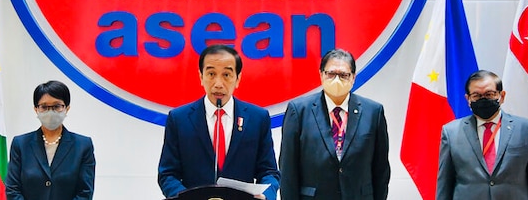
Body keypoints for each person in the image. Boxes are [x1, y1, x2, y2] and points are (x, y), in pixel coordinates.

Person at [158, 44, 280, 200]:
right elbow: (167, 174)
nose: (218, 84)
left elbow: (269, 172)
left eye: (227, 75)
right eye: (211, 74)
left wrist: (265, 196)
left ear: (238, 79)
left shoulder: (258, 118)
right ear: (201, 77)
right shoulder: (179, 118)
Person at [279, 48, 390, 200]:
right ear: (321, 75)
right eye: (331, 74)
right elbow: (288, 171)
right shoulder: (298, 111)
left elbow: (381, 170)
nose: (337, 80)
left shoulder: (373, 112)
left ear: (353, 78)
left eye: (344, 75)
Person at [437, 70, 528, 200]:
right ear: (468, 99)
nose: (483, 99)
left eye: (489, 94)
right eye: (476, 96)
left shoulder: (527, 130)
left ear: (502, 96)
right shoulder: (451, 132)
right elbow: (445, 184)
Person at [6, 80, 95, 200]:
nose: (50, 112)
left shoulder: (83, 145)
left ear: (67, 108)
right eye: (44, 107)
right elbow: (12, 189)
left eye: (57, 106)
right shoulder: (21, 144)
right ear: (36, 109)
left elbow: (85, 192)